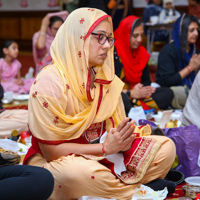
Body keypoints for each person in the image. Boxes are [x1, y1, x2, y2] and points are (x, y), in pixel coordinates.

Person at [23, 8, 176, 200]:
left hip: (104, 155)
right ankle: (139, 190)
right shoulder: (50, 82)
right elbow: (51, 152)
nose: (107, 46)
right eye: (100, 37)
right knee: (75, 173)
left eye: (110, 39)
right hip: (59, 162)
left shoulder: (103, 77)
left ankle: (116, 190)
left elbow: (112, 132)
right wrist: (104, 149)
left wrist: (120, 139)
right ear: (78, 37)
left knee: (166, 147)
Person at [114, 15, 174, 115]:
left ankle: (136, 109)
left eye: (141, 35)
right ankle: (136, 108)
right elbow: (110, 87)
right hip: (122, 94)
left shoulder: (141, 53)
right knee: (122, 100)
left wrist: (140, 89)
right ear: (125, 34)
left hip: (138, 93)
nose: (139, 40)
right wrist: (131, 93)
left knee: (168, 93)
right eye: (135, 36)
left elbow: (146, 81)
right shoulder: (114, 53)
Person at [156, 14, 200, 109]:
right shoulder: (168, 50)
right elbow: (167, 82)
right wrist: (190, 68)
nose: (196, 33)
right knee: (177, 93)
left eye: (197, 30)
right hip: (173, 93)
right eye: (192, 30)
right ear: (182, 31)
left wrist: (196, 70)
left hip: (191, 92)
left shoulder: (195, 50)